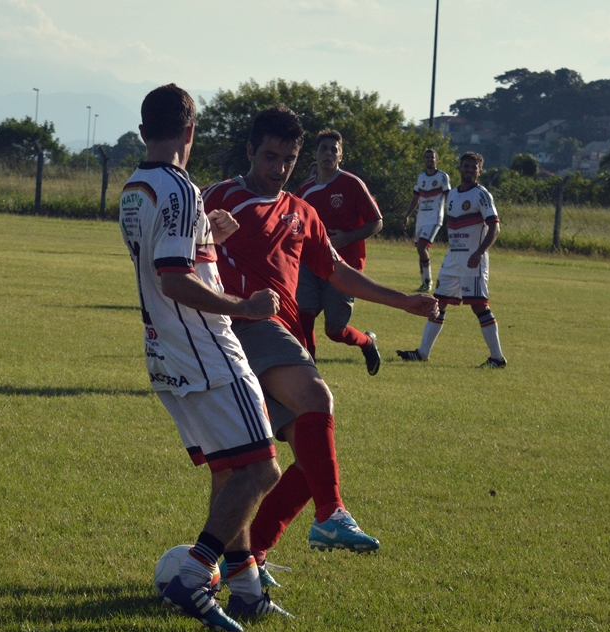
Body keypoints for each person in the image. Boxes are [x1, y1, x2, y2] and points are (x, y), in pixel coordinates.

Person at [202, 105, 440, 574]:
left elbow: (338, 272)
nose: (279, 169)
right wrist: (207, 231)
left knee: (307, 457)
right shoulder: (220, 197)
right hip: (244, 326)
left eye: (288, 159)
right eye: (270, 157)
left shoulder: (302, 211)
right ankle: (331, 515)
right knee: (316, 400)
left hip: (278, 335)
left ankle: (249, 558)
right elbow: (176, 246)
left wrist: (404, 302)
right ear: (250, 151)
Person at [120, 84, 291, 632]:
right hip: (207, 351)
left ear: (144, 129)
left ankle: (247, 593)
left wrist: (204, 234)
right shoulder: (180, 188)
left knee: (233, 471)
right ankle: (194, 576)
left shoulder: (135, 188)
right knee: (262, 469)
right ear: (190, 131)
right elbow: (174, 280)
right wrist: (246, 306)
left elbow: (165, 260)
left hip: (167, 353)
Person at [397, 152, 507, 368]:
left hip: (472, 261)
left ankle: (497, 358)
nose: (469, 170)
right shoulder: (453, 195)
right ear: (459, 168)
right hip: (452, 259)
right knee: (438, 304)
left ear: (479, 171)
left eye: (474, 167)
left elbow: (495, 227)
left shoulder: (482, 195)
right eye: (466, 166)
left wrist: (479, 252)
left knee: (479, 307)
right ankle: (422, 353)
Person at [293, 130, 384, 374]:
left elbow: (377, 222)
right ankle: (310, 373)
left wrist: (347, 237)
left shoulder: (352, 184)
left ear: (340, 156)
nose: (328, 153)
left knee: (334, 330)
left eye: (334, 150)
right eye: (324, 148)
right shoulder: (304, 189)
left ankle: (367, 342)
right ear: (315, 154)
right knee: (304, 315)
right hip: (310, 263)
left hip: (344, 267)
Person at [403, 149, 451, 292]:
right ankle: (424, 283)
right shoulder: (421, 177)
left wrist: (452, 215)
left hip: (434, 217)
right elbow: (415, 198)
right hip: (421, 218)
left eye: (432, 157)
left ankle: (428, 282)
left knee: (421, 247)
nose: (430, 159)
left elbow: (448, 196)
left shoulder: (442, 177)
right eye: (427, 157)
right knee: (422, 250)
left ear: (437, 160)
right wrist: (407, 215)